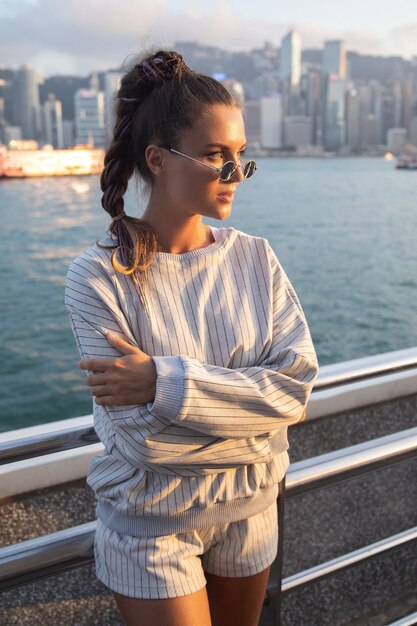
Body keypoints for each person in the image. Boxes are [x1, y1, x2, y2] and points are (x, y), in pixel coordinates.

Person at [64, 48, 319, 626]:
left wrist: (162, 380)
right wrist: (255, 431)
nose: (235, 175)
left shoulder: (256, 258)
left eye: (241, 157)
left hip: (252, 512)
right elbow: (142, 443)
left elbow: (295, 391)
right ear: (157, 159)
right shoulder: (97, 277)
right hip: (150, 525)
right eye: (214, 156)